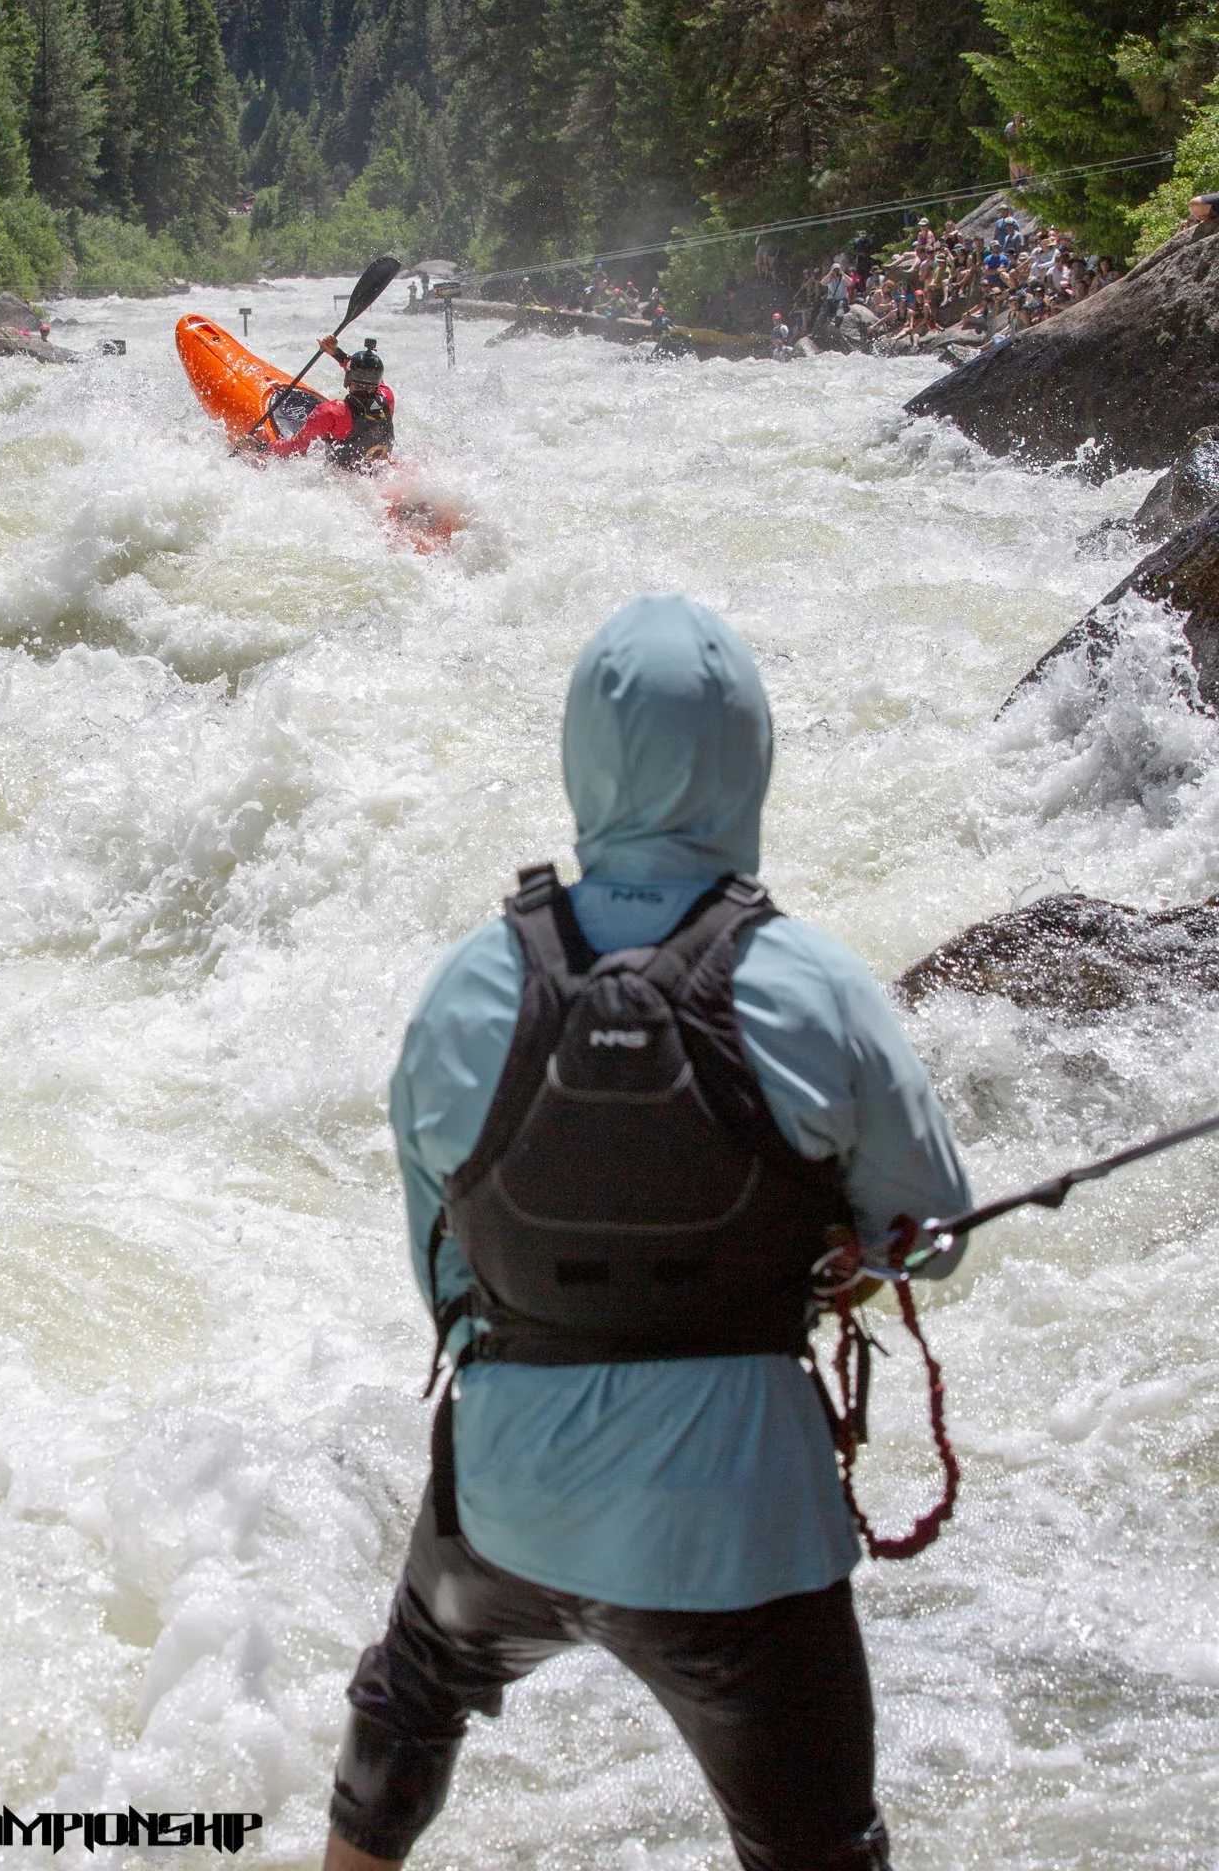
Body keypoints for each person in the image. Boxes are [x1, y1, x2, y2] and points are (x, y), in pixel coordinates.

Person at [322, 595, 970, 1871]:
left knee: (410, 1694)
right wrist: (843, 1249)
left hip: (505, 1519)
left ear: (580, 759)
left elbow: (445, 1274)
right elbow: (933, 1230)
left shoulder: (465, 981)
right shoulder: (815, 982)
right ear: (749, 758)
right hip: (738, 1538)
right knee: (818, 1847)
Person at [263, 336, 394, 469]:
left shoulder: (333, 412)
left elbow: (297, 447)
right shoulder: (387, 398)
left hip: (341, 482)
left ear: (348, 377)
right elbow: (370, 375)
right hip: (380, 475)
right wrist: (336, 352)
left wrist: (261, 447)